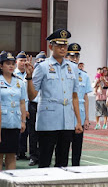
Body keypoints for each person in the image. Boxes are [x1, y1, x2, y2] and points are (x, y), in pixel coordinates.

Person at [24, 29, 83, 168]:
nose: (63, 49)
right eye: (59, 45)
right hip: (48, 120)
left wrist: (78, 121)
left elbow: (74, 96)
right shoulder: (42, 67)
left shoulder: (73, 68)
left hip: (66, 120)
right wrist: (29, 77)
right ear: (51, 47)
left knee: (63, 162)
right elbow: (32, 95)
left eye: (65, 45)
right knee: (45, 159)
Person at [0, 52, 27, 170]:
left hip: (14, 123)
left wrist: (23, 121)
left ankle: (11, 181)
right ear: (1, 66)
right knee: (0, 155)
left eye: (12, 64)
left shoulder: (19, 82)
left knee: (11, 154)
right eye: (7, 64)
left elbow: (22, 102)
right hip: (1, 124)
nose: (11, 66)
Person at [66, 43, 91, 166]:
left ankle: (76, 168)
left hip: (79, 115)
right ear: (67, 58)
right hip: (66, 113)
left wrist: (86, 118)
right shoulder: (64, 74)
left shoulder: (84, 76)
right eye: (72, 57)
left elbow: (85, 97)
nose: (74, 59)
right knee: (63, 146)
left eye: (76, 57)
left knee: (77, 146)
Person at [27, 51, 47, 166]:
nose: (40, 64)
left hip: (44, 105)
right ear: (35, 63)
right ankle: (33, 156)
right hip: (33, 105)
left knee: (44, 133)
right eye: (38, 61)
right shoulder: (30, 75)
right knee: (33, 133)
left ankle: (42, 154)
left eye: (42, 62)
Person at [14, 51, 29, 160]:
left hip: (28, 106)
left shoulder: (29, 74)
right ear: (16, 62)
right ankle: (16, 152)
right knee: (17, 132)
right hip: (16, 107)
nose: (23, 63)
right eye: (21, 60)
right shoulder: (13, 74)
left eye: (24, 60)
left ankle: (23, 152)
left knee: (27, 132)